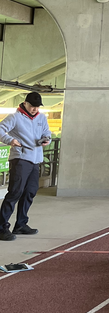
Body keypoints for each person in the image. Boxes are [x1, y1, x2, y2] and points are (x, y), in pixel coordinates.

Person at [0, 92, 52, 241]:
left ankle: (21, 224)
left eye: (37, 107)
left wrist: (46, 139)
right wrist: (9, 140)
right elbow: (0, 129)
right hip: (21, 159)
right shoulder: (15, 117)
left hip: (35, 160)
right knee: (15, 192)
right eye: (32, 106)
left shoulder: (41, 118)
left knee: (30, 192)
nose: (35, 109)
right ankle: (1, 227)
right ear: (25, 103)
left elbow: (46, 132)